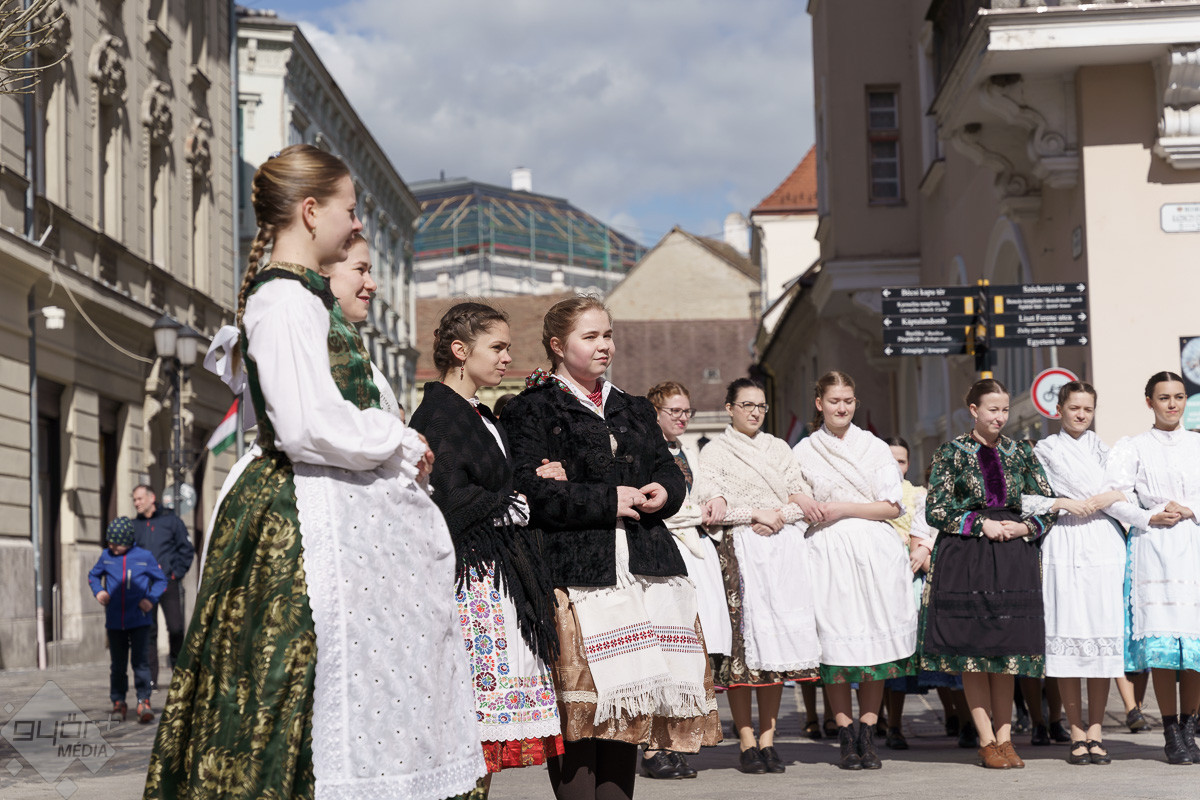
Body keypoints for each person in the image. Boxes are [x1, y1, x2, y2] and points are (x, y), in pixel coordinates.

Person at [144, 144, 484, 800]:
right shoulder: (282, 300)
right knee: (289, 690)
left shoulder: (303, 297)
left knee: (341, 688)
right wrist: (394, 439)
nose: (356, 224)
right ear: (309, 211)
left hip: (328, 512)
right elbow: (305, 424)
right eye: (349, 211)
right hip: (294, 522)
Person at [503, 296, 721, 800]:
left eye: (608, 335)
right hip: (577, 576)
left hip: (645, 569)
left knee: (630, 712)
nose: (604, 345)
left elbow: (665, 468)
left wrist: (666, 490)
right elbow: (527, 491)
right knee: (583, 715)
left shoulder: (634, 406)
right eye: (591, 336)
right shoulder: (531, 408)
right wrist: (605, 499)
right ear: (558, 346)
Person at [409, 302, 565, 796]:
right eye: (497, 347)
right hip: (468, 583)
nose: (506, 358)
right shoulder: (438, 415)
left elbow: (494, 481)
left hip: (497, 579)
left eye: (508, 348)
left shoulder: (478, 414)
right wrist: (512, 502)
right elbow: (446, 499)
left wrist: (531, 478)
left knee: (478, 745)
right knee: (465, 731)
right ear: (460, 351)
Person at [921, 378, 1056, 770]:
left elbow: (1047, 504)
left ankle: (1006, 739)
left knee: (1007, 650)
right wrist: (981, 524)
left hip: (1013, 557)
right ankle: (986, 740)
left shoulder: (1021, 452)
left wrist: (1025, 527)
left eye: (1004, 410)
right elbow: (936, 510)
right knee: (974, 652)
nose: (1000, 417)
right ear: (974, 410)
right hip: (967, 557)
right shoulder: (950, 452)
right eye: (992, 409)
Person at [792, 371, 918, 771]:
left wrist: (843, 508)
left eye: (848, 400)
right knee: (835, 644)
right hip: (828, 553)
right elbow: (793, 498)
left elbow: (891, 506)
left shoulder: (874, 446)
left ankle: (868, 731)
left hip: (874, 550)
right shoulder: (805, 450)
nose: (842, 407)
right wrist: (801, 501)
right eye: (834, 401)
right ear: (820, 404)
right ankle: (845, 733)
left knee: (873, 643)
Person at [693, 377, 818, 775]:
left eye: (760, 405)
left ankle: (769, 739)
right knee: (742, 653)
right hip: (738, 554)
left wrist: (778, 515)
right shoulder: (714, 451)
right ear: (729, 408)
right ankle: (746, 740)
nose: (754, 412)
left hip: (781, 553)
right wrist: (754, 513)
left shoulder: (779, 448)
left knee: (775, 648)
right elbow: (711, 507)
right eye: (746, 404)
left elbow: (801, 497)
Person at [1020, 381, 1126, 765]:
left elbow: (1127, 491)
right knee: (1066, 636)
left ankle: (1096, 731)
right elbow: (1023, 498)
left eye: (1088, 409)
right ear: (1059, 409)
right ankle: (1075, 731)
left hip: (1103, 542)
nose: (1081, 415)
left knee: (1101, 635)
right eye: (1074, 408)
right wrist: (1061, 502)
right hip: (1063, 540)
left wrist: (1112, 496)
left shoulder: (1107, 452)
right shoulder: (1044, 451)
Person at [1103, 371, 1200, 765]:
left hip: (1194, 544)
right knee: (1163, 648)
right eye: (1164, 398)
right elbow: (1114, 497)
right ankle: (1171, 731)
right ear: (1149, 402)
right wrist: (1148, 516)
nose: (1172, 404)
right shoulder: (1134, 447)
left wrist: (1192, 508)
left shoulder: (1197, 444)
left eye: (1179, 396)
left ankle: (1191, 728)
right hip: (1154, 547)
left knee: (1194, 645)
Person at [640, 381, 731, 780]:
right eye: (674, 411)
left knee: (688, 655)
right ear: (655, 413)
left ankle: (674, 741)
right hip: (664, 553)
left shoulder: (688, 451)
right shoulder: (647, 451)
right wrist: (695, 512)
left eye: (686, 411)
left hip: (695, 554)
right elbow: (659, 505)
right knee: (663, 650)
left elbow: (706, 493)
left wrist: (717, 501)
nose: (682, 418)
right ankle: (652, 747)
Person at [880, 436, 970, 751]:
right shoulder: (892, 496)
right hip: (903, 582)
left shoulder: (923, 495)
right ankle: (893, 726)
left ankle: (964, 721)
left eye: (901, 460)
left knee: (953, 659)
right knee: (901, 658)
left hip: (942, 583)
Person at [89, 517, 167, 724]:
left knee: (140, 663)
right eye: (110, 542)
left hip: (139, 620)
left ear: (128, 541)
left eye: (116, 543)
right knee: (118, 665)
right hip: (115, 621)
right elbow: (93, 576)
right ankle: (118, 701)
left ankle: (144, 701)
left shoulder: (144, 557)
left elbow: (161, 580)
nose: (112, 547)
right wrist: (99, 592)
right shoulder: (106, 557)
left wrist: (150, 599)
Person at [131, 484, 194, 687]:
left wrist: (175, 573)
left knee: (176, 628)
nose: (136, 503)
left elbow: (186, 549)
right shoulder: (134, 526)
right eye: (134, 500)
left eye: (139, 499)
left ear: (151, 498)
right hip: (144, 586)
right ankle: (151, 679)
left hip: (168, 582)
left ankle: (178, 671)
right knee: (148, 632)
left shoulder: (171, 521)